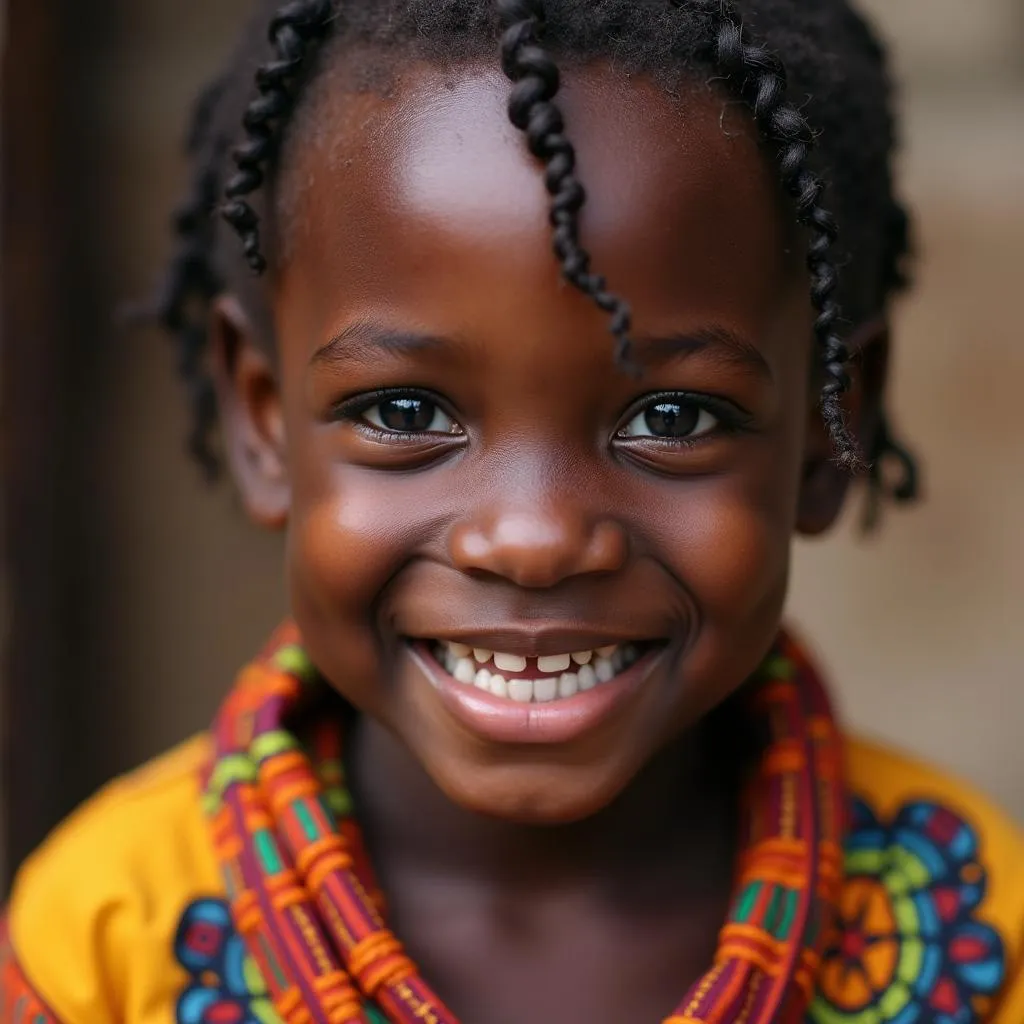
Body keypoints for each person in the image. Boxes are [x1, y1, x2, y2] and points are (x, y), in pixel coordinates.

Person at [3, 1, 1022, 1022]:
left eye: (671, 416)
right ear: (263, 420)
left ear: (825, 432)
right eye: (404, 412)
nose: (532, 540)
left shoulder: (980, 930)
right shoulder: (108, 939)